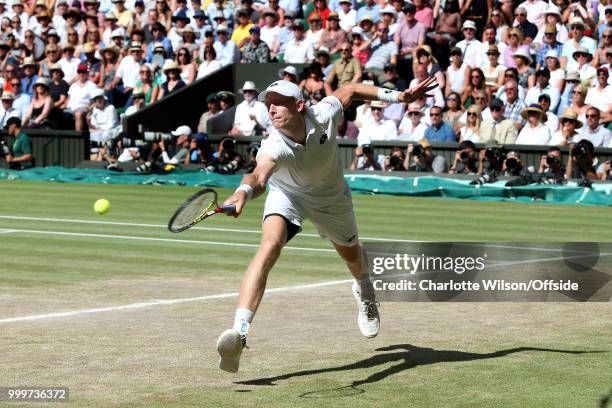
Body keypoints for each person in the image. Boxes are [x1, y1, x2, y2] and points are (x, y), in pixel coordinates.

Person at [215, 76, 437, 373]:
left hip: (331, 199)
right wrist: (242, 193)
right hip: (289, 195)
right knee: (269, 247)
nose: (272, 110)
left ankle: (365, 289)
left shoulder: (324, 112)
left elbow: (352, 89)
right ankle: (238, 334)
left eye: (279, 103)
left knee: (353, 258)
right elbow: (258, 175)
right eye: (269, 104)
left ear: (299, 105)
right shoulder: (273, 144)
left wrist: (401, 98)